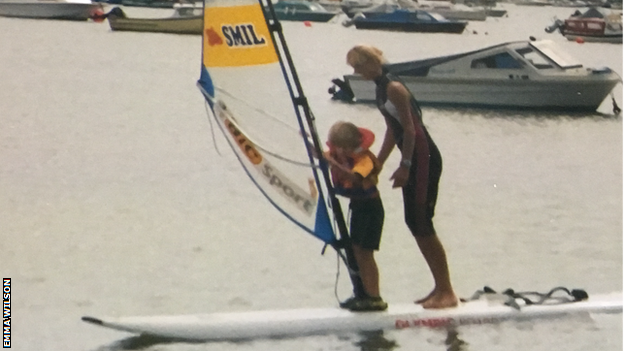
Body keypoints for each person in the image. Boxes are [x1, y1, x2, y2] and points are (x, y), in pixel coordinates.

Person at [346, 45, 458, 309]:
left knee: (421, 221)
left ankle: (447, 291)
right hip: (414, 158)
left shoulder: (394, 88)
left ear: (372, 63)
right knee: (414, 222)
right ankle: (439, 288)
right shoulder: (380, 86)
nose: (356, 72)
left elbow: (410, 129)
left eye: (358, 67)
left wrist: (406, 165)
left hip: (424, 158)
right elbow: (390, 128)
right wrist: (379, 162)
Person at [324, 121, 387, 312]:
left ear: (354, 147)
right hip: (358, 208)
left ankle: (374, 296)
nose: (340, 151)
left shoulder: (364, 160)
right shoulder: (339, 156)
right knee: (356, 249)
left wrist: (331, 163)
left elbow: (354, 178)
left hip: (371, 209)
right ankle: (362, 293)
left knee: (365, 252)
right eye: (337, 147)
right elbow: (325, 157)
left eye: (344, 148)